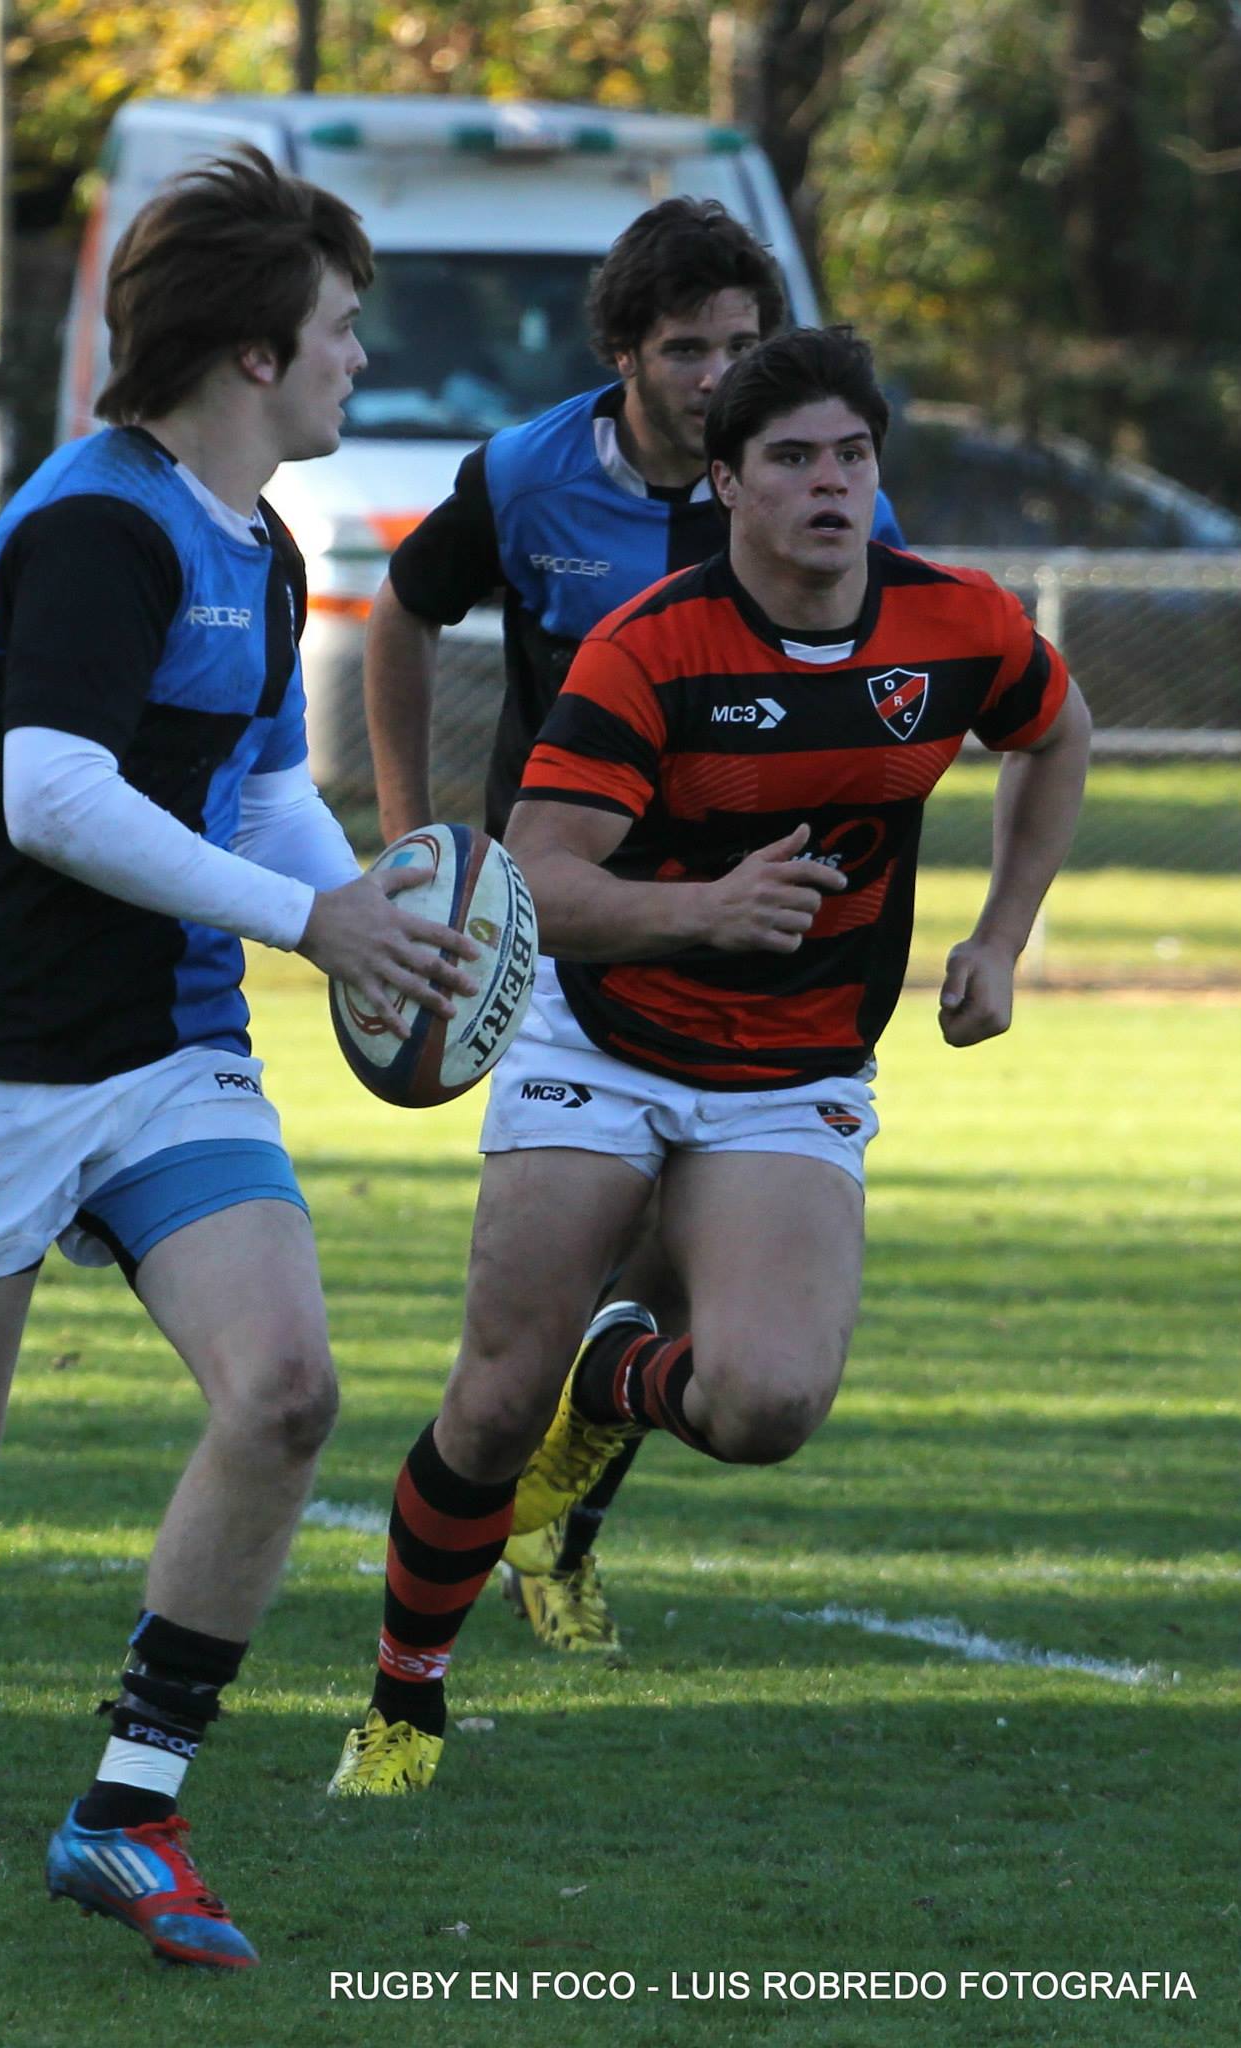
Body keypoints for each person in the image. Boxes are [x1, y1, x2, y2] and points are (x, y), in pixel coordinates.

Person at [0, 147, 478, 1968]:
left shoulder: (260, 546)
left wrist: (357, 902)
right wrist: (315, 927)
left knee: (287, 1389)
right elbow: (52, 796)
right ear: (253, 356)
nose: (362, 358)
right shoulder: (94, 531)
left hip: (167, 1050)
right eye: (343, 330)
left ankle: (131, 1809)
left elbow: (262, 785)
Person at [327, 324, 1091, 1796]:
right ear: (727, 481)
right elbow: (539, 879)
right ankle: (404, 1709)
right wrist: (704, 911)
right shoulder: (652, 648)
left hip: (796, 1065)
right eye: (792, 459)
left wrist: (1002, 935)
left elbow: (1054, 736)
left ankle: (621, 1372)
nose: (829, 486)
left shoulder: (956, 624)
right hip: (601, 1038)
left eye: (852, 456)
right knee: (491, 1402)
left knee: (767, 1407)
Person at [361, 197, 905, 1659]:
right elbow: (401, 614)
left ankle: (563, 1516)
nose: (722, 372)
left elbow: (898, 663)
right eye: (687, 349)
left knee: (675, 1282)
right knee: (541, 1330)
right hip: (585, 929)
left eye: (745, 342)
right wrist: (423, 846)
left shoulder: (815, 477)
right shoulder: (533, 474)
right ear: (623, 356)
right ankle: (449, 1625)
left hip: (767, 956)